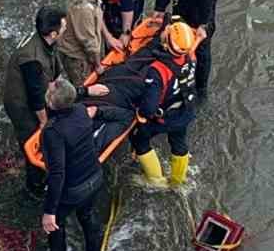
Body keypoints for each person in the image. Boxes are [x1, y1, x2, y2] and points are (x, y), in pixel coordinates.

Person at [84, 21, 199, 187]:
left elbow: (149, 106)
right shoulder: (190, 56)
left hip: (165, 116)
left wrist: (141, 115)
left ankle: (156, 181)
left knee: (139, 138)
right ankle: (178, 181)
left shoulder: (159, 70)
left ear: (167, 42)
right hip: (185, 110)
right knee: (178, 141)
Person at [39, 79, 106, 251]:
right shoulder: (81, 111)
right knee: (87, 214)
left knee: (56, 224)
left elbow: (57, 173)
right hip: (94, 176)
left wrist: (49, 211)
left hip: (74, 187)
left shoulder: (53, 132)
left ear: (51, 103)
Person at [2, 6, 67, 195]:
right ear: (53, 33)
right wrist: (44, 123)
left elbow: (52, 74)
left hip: (36, 92)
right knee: (34, 142)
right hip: (21, 104)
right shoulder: (32, 59)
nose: (66, 30)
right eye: (64, 28)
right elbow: (36, 97)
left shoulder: (46, 42)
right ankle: (34, 186)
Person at [56, 0, 122, 86]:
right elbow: (88, 42)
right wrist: (98, 65)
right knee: (84, 87)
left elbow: (97, 15)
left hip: (78, 50)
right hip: (78, 59)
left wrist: (108, 37)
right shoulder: (85, 8)